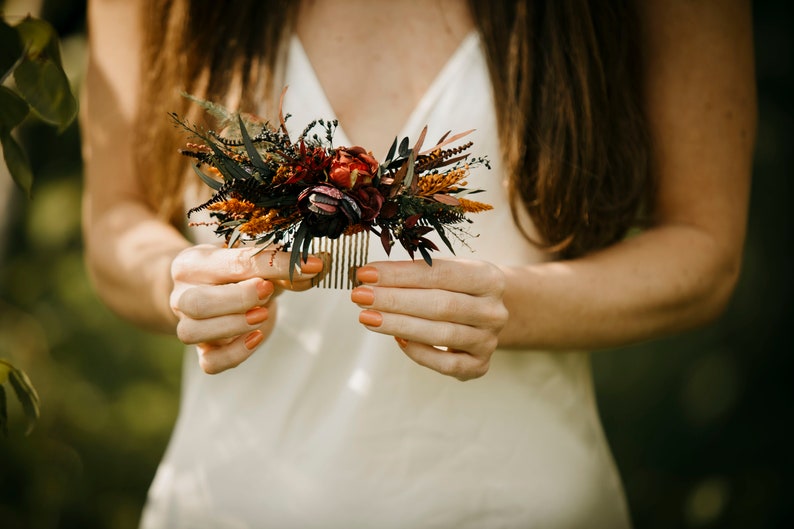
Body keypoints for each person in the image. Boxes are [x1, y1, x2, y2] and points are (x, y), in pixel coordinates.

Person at [81, 0, 755, 527]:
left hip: (519, 509)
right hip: (227, 506)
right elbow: (113, 220)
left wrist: (512, 305)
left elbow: (706, 250)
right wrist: (181, 278)